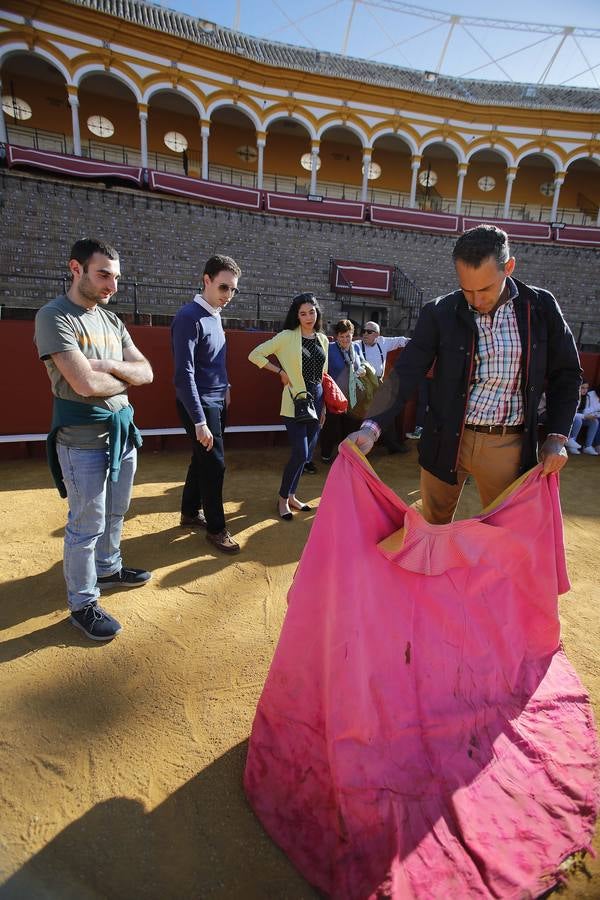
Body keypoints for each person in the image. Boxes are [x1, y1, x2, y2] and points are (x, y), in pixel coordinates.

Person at [349, 224, 582, 524]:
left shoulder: (540, 306)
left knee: (505, 534)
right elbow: (407, 370)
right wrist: (372, 426)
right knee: (433, 528)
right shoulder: (440, 311)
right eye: (466, 289)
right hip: (445, 437)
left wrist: (557, 436)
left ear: (508, 268)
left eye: (484, 289)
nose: (475, 299)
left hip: (507, 444)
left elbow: (567, 373)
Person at [34, 238, 153, 641]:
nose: (112, 286)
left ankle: (109, 567)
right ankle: (83, 603)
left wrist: (106, 366)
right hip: (82, 438)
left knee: (117, 511)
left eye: (116, 277)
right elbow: (83, 384)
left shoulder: (111, 320)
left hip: (121, 435)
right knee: (86, 525)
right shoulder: (54, 316)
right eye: (103, 275)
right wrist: (119, 375)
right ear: (76, 268)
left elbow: (147, 372)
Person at [171, 254, 242, 553]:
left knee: (201, 459)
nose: (228, 295)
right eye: (224, 287)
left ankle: (189, 512)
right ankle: (216, 528)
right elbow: (183, 374)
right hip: (199, 403)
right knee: (215, 465)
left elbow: (215, 361)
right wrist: (200, 420)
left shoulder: (214, 313)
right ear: (207, 280)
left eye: (233, 290)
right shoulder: (188, 317)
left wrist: (225, 387)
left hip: (216, 399)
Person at [248, 293, 329, 520]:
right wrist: (280, 372)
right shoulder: (286, 336)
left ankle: (292, 496)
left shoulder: (323, 339)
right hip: (295, 401)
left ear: (317, 312)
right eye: (303, 313)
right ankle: (282, 499)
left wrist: (324, 407)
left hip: (317, 399)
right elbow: (255, 354)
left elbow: (324, 375)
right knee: (300, 452)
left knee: (307, 455)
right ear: (296, 315)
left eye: (311, 312)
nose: (308, 317)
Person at [354, 321, 410, 453]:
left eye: (369, 332)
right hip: (362, 385)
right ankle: (360, 446)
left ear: (377, 335)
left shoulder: (383, 342)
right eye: (363, 331)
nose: (365, 334)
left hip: (378, 384)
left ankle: (391, 444)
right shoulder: (356, 345)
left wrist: (422, 342)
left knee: (387, 413)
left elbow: (402, 341)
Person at [320, 319, 369, 463]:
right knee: (331, 427)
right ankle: (326, 455)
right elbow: (323, 371)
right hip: (334, 396)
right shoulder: (329, 348)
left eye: (348, 336)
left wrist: (363, 369)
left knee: (350, 427)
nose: (345, 339)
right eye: (342, 336)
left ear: (352, 335)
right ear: (336, 336)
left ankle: (346, 455)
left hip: (352, 396)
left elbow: (364, 362)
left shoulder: (357, 348)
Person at [565, 381, 600, 455]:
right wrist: (585, 415)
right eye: (582, 388)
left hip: (581, 417)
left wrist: (593, 415)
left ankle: (588, 446)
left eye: (586, 388)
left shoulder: (586, 397)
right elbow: (571, 414)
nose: (585, 390)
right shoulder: (573, 396)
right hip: (569, 418)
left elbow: (585, 412)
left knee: (594, 421)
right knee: (578, 420)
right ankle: (571, 444)